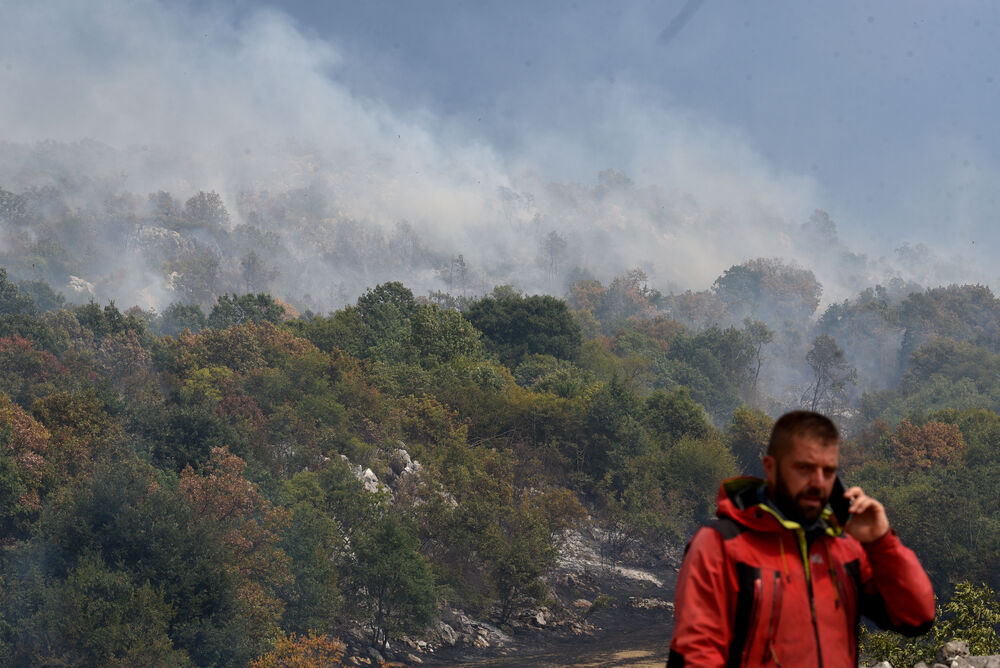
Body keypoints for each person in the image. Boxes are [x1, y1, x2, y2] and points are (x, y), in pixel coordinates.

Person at [667, 410, 934, 667]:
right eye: (804, 468)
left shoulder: (844, 548)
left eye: (828, 472)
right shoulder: (720, 546)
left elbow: (916, 618)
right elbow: (696, 656)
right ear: (770, 469)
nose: (818, 482)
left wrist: (880, 541)